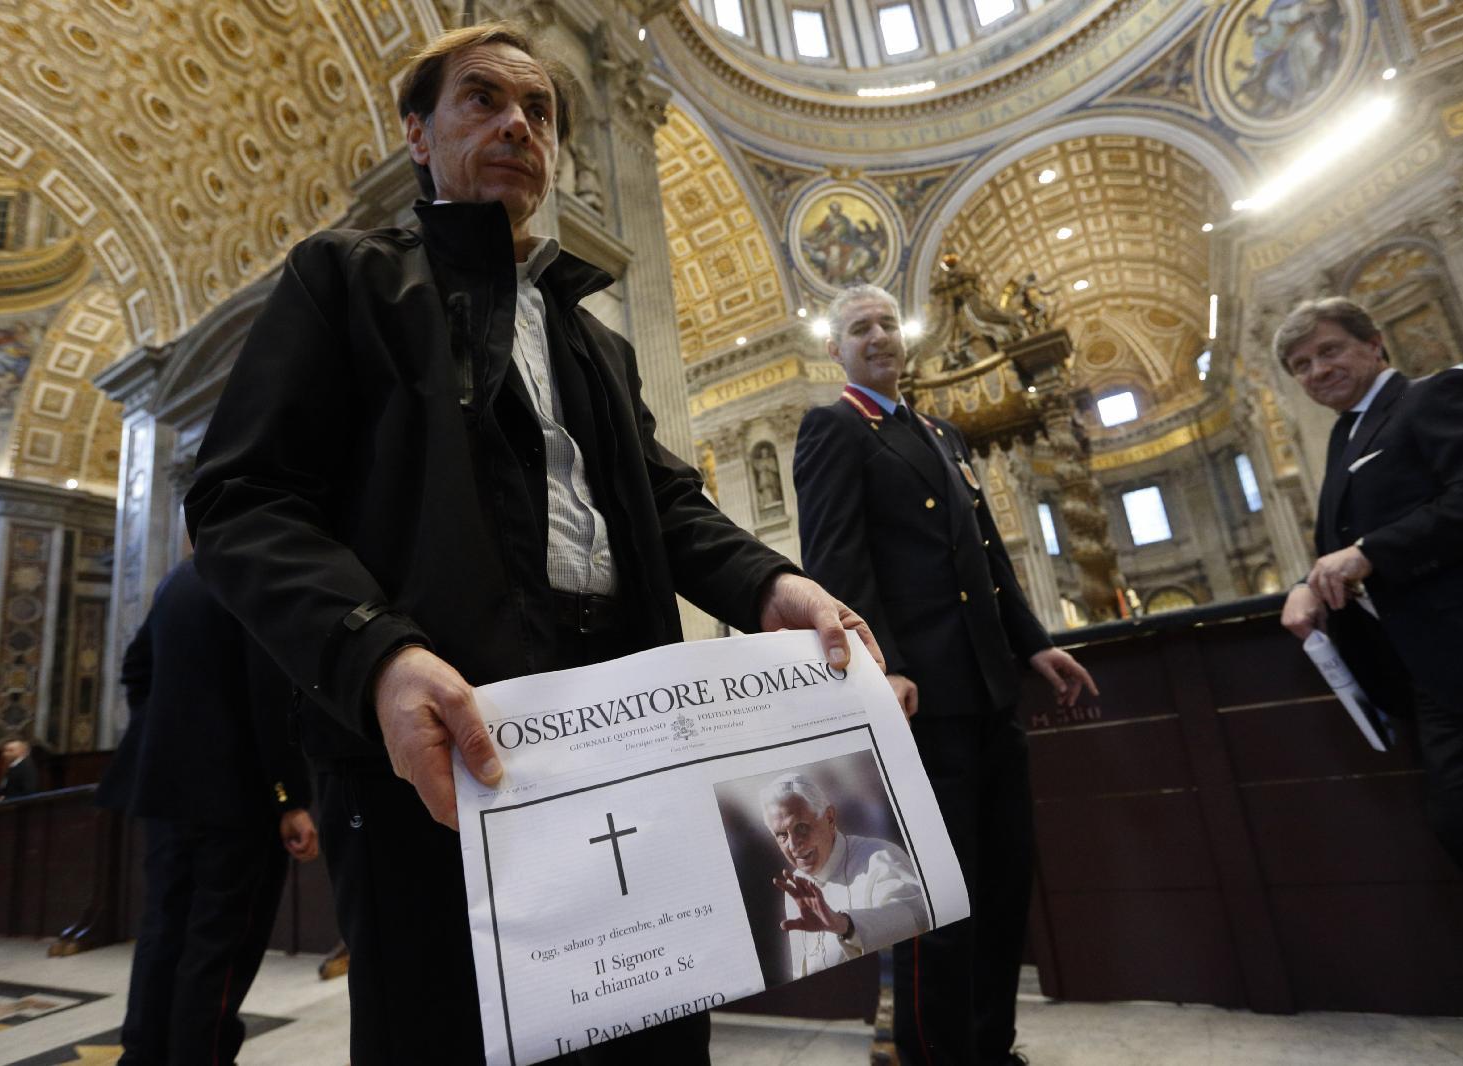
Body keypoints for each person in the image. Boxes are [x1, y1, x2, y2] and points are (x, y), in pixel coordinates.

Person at [182, 21, 881, 1065]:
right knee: (451, 1035)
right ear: (417, 134)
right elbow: (241, 500)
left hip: (622, 720)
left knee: (650, 1021)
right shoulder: (348, 281)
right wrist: (376, 652)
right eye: (484, 99)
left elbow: (665, 502)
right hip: (442, 738)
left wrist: (771, 582)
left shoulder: (592, 337)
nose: (519, 124)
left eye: (541, 111)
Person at [792, 283, 1097, 1066]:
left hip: (991, 691)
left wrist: (1033, 643)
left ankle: (992, 1049)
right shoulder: (836, 427)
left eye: (887, 323)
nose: (878, 337)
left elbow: (988, 556)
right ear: (835, 349)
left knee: (1004, 887)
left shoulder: (941, 433)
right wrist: (881, 667)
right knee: (940, 900)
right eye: (859, 328)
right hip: (921, 702)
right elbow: (836, 562)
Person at [1276, 296, 1463, 960]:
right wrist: (1307, 582)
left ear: (1374, 344)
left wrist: (1370, 552)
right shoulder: (1346, 438)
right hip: (1432, 679)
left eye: (1329, 350)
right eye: (1301, 364)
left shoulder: (1438, 395)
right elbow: (1351, 538)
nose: (1316, 371)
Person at [97, 559, 318, 1066]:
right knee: (219, 946)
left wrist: (169, 738)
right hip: (237, 796)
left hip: (167, 793)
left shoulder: (178, 579)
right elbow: (270, 696)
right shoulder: (253, 572)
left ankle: (144, 1056)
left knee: (163, 932)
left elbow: (135, 669)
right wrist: (289, 798)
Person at [762, 774, 929, 979]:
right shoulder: (795, 885)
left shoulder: (879, 857)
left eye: (801, 827)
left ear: (829, 818)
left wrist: (844, 925)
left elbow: (915, 917)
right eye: (782, 835)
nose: (794, 845)